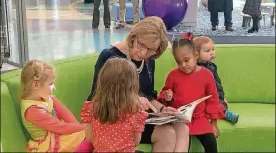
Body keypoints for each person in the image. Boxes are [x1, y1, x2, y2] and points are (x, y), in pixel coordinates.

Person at [81, 16, 189, 152]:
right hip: (117, 122)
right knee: (168, 133)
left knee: (182, 127)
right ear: (134, 36)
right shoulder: (111, 57)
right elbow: (96, 97)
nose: (143, 53)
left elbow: (148, 95)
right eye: (141, 45)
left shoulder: (149, 61)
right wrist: (131, 100)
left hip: (140, 117)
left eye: (151, 50)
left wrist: (162, 109)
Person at [158, 33, 225, 153]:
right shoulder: (173, 75)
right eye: (179, 62)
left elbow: (213, 99)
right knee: (183, 144)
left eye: (186, 60)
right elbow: (164, 94)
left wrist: (213, 125)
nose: (183, 65)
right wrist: (167, 96)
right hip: (180, 119)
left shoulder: (207, 75)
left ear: (196, 55)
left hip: (200, 119)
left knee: (211, 143)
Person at [80, 57, 147, 152]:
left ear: (102, 82)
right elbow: (136, 141)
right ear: (133, 87)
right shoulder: (136, 112)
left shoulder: (92, 108)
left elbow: (89, 137)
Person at [20, 60, 86, 152]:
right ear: (36, 85)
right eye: (51, 84)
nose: (54, 87)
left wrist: (79, 128)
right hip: (49, 144)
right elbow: (60, 127)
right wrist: (85, 128)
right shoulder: (32, 110)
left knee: (90, 135)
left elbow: (64, 112)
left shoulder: (45, 96)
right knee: (91, 136)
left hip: (59, 133)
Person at [193, 35, 239, 124]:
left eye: (213, 49)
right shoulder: (196, 69)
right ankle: (225, 114)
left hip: (216, 97)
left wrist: (222, 97)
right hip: (205, 100)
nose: (212, 53)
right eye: (207, 51)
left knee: (220, 105)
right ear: (196, 54)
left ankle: (221, 110)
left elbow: (218, 84)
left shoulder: (212, 66)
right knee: (210, 107)